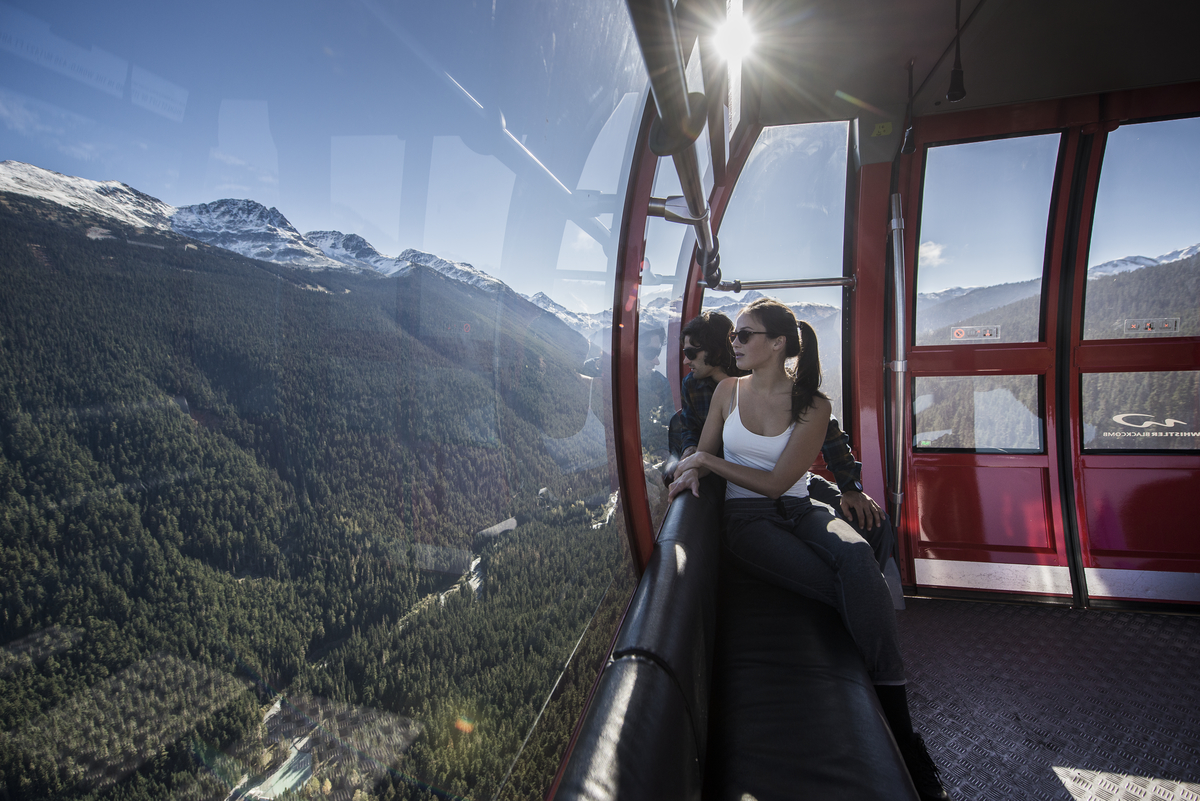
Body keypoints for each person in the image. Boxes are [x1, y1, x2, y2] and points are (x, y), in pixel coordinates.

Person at [668, 297, 949, 801]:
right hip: (745, 523)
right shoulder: (726, 393)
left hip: (798, 507)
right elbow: (699, 446)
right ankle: (905, 739)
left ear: (776, 344)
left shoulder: (813, 405)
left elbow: (778, 483)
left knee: (858, 558)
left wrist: (711, 462)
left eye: (743, 335)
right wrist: (688, 466)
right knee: (845, 587)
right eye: (734, 336)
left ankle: (898, 721)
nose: (734, 344)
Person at [670, 312, 899, 591]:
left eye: (692, 352)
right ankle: (860, 588)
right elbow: (689, 428)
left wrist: (850, 486)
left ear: (716, 350)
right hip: (742, 482)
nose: (686, 360)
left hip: (793, 480)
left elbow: (827, 432)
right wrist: (692, 459)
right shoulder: (695, 387)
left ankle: (870, 586)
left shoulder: (759, 370)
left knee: (874, 524)